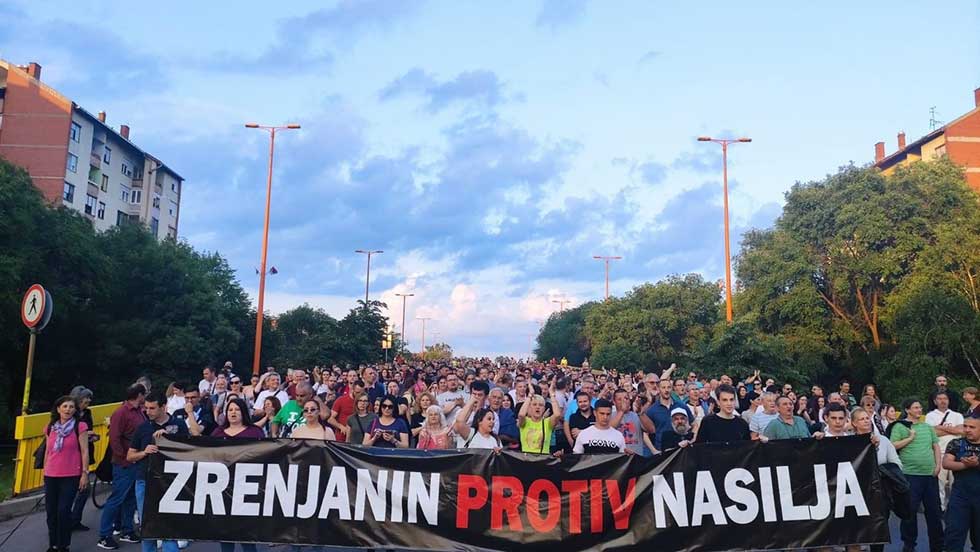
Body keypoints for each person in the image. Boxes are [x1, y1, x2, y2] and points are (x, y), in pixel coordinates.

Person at [127, 393, 186, 552]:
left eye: (152, 408)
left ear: (163, 406)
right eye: (145, 408)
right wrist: (144, 452)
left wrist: (169, 440)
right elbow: (130, 456)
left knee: (169, 523)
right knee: (148, 524)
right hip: (145, 480)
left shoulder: (179, 424)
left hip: (171, 481)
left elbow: (189, 451)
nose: (148, 411)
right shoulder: (143, 427)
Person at [890, 399, 944, 552]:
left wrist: (938, 465)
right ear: (907, 410)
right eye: (915, 407)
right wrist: (910, 438)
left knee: (934, 512)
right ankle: (909, 544)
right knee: (910, 512)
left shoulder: (927, 427)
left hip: (929, 475)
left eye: (920, 407)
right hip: (910, 475)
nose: (919, 410)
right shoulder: (900, 426)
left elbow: (936, 446)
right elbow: (893, 445)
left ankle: (937, 546)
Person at [98, 383, 146, 550]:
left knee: (130, 498)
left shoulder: (139, 411)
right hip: (124, 463)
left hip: (135, 460)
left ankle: (127, 530)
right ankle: (104, 534)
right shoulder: (121, 412)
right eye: (143, 395)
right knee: (117, 498)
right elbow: (115, 438)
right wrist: (124, 458)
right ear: (139, 395)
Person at [43, 396, 89, 552]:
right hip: (51, 474)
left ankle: (64, 545)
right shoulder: (50, 427)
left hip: (70, 474)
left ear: (75, 410)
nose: (68, 409)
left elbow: (84, 451)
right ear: (58, 409)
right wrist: (45, 469)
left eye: (71, 407)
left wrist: (84, 473)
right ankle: (53, 544)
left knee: (63, 511)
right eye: (65, 406)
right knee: (51, 512)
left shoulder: (80, 426)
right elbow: (48, 451)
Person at [942, 416, 980, 552]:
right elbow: (946, 463)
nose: (967, 430)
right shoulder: (956, 443)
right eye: (965, 426)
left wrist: (976, 464)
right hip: (960, 497)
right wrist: (967, 465)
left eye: (972, 427)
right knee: (954, 535)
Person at [926, 391, 965, 509]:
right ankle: (940, 508)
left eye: (945, 399)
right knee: (939, 483)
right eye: (940, 399)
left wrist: (940, 427)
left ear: (949, 400)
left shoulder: (957, 415)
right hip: (939, 452)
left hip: (956, 453)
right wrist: (953, 429)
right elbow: (932, 433)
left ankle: (955, 508)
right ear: (935, 401)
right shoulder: (930, 416)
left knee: (956, 483)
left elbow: (962, 431)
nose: (943, 401)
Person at [68, 385, 97, 532]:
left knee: (84, 489)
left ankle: (74, 519)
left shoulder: (87, 413)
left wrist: (91, 435)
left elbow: (89, 428)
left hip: (84, 451)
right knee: (75, 490)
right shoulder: (67, 413)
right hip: (71, 456)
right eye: (85, 401)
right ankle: (69, 519)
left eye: (88, 401)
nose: (87, 404)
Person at [640, 378, 692, 453]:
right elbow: (645, 433)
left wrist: (692, 440)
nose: (666, 390)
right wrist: (654, 450)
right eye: (663, 387)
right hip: (662, 451)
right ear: (658, 389)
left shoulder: (681, 406)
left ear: (672, 389)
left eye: (668, 387)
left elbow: (694, 424)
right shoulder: (652, 410)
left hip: (681, 450)